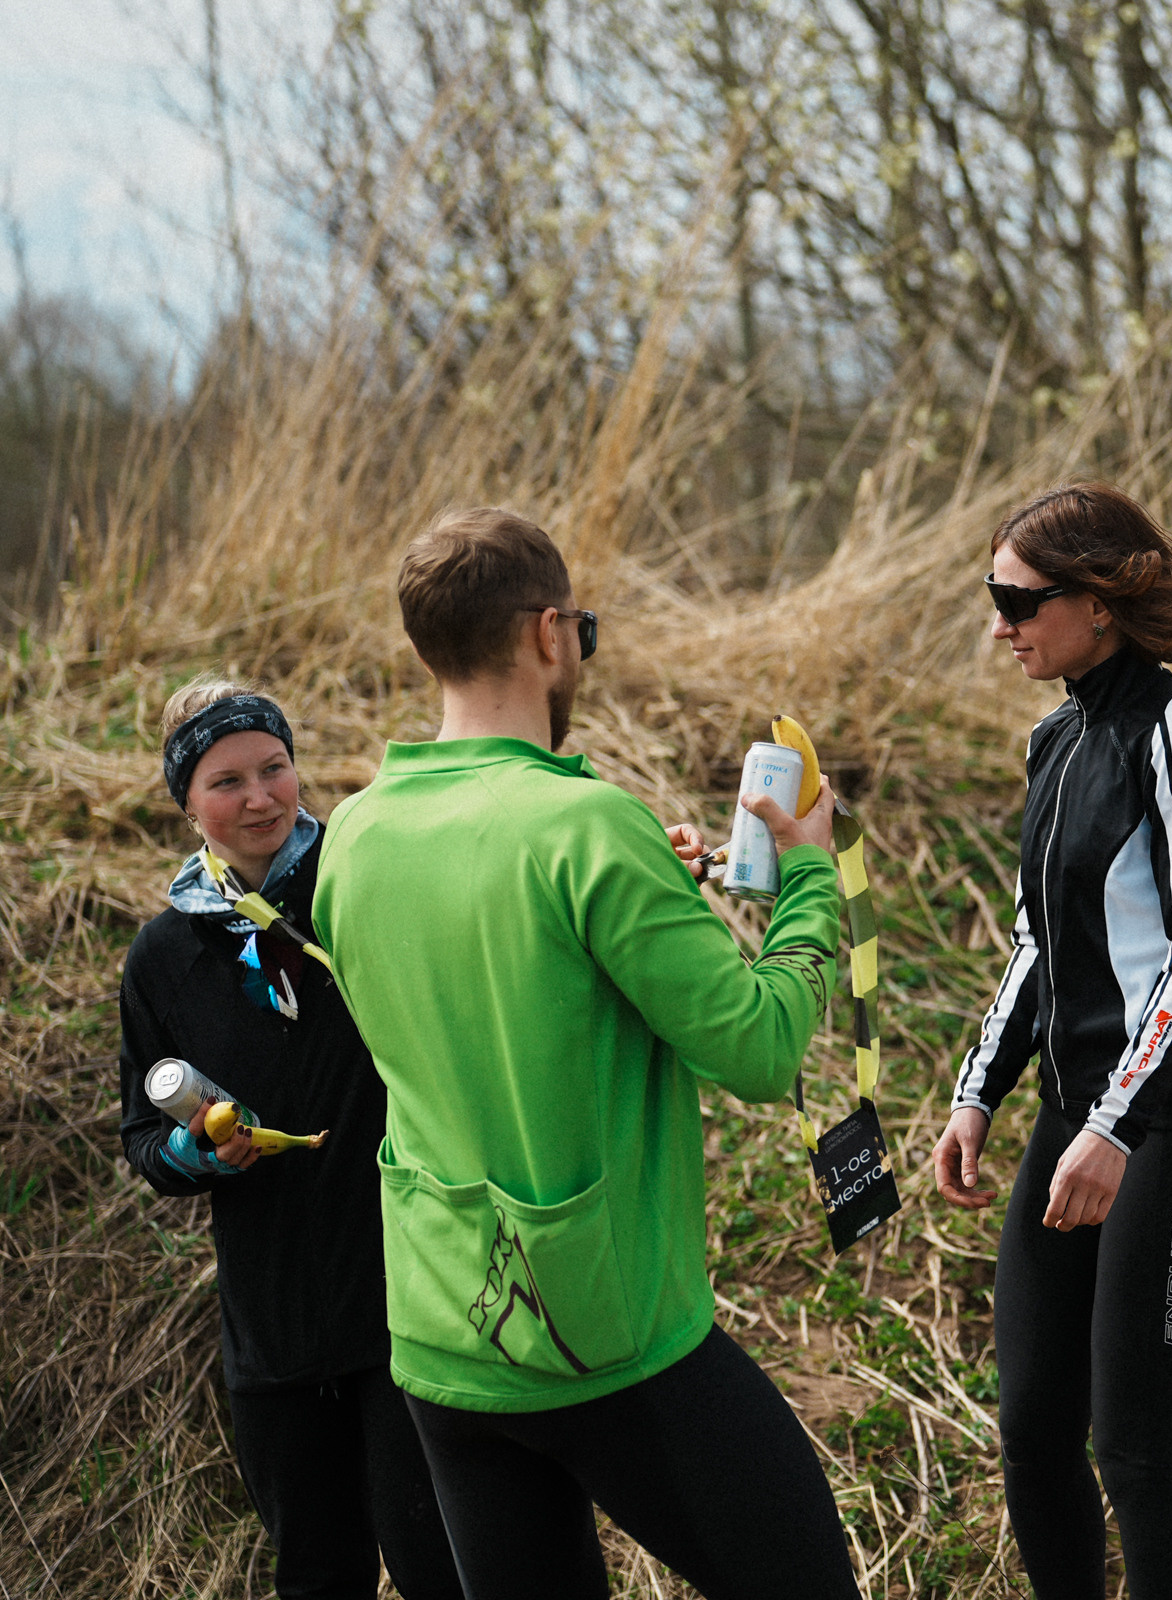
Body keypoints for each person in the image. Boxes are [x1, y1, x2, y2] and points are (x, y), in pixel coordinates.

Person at [310, 506, 860, 1600]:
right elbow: (757, 1049)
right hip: (605, 1336)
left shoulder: (354, 836)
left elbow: (497, 986)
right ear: (550, 633)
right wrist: (807, 871)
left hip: (441, 1341)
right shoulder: (584, 828)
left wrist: (645, 886)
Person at [933, 483, 1172, 1600]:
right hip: (1077, 1126)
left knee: (1135, 1449)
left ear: (1101, 603)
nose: (999, 625)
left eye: (1017, 600)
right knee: (1031, 1429)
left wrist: (1117, 1124)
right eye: (997, 598)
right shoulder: (1055, 737)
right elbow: (1040, 940)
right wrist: (978, 1093)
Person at [117, 679, 463, 1600]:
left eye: (276, 768)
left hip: (407, 1310)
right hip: (272, 1337)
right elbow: (143, 1140)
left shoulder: (361, 886)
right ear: (186, 801)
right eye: (227, 781)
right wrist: (201, 1152)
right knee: (317, 1578)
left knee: (443, 1569)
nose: (261, 797)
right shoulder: (164, 959)